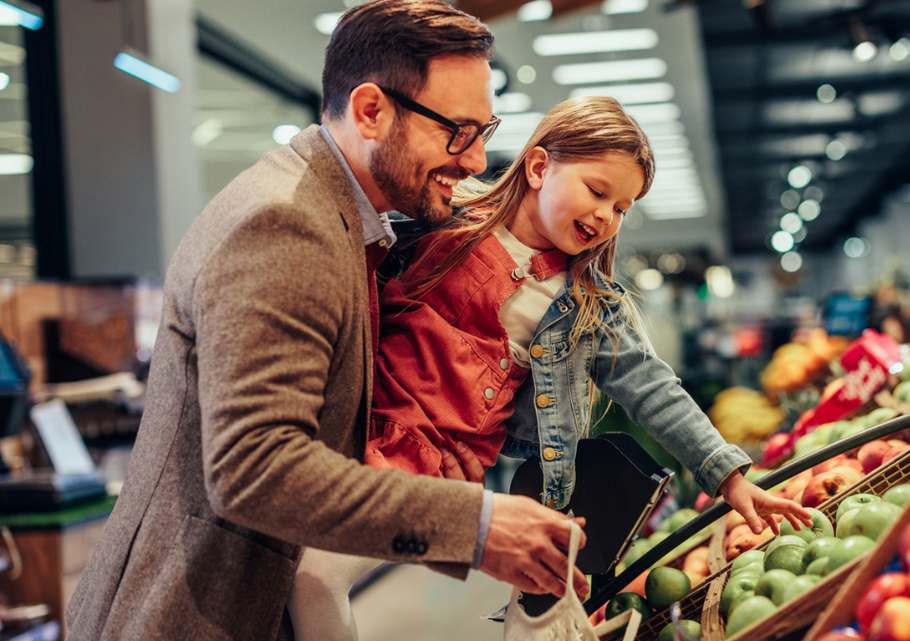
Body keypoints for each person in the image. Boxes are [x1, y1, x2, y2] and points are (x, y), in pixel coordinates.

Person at [65, 2, 589, 639]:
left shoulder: (343, 219)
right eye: (458, 131)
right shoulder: (286, 224)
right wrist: (476, 526)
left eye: (485, 130)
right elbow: (254, 468)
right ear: (371, 111)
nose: (477, 160)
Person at [288, 96, 813, 641]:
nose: (606, 216)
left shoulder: (590, 306)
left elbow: (654, 388)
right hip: (344, 426)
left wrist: (729, 475)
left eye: (622, 208)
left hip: (428, 464)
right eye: (597, 191)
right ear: (539, 168)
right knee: (293, 569)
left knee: (316, 575)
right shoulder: (440, 226)